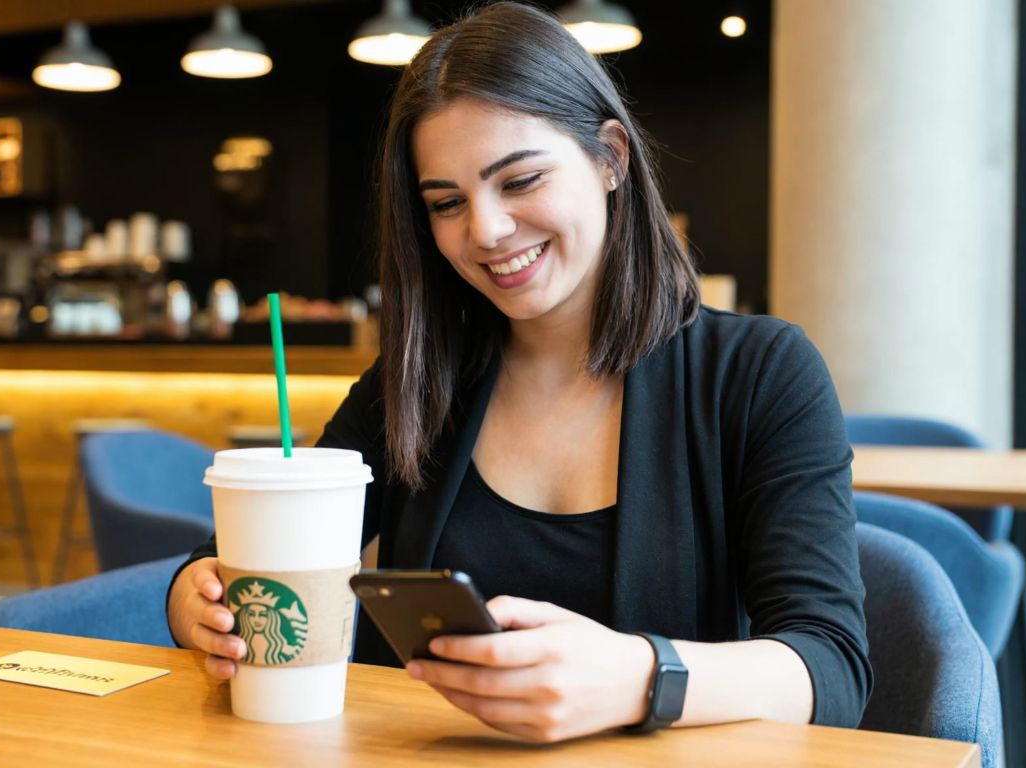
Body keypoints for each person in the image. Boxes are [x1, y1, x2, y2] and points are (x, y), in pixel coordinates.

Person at [168, 1, 870, 742]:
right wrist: (194, 594)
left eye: (521, 180)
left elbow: (830, 667)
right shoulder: (414, 380)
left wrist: (640, 677)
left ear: (611, 159)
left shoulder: (761, 373)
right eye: (446, 202)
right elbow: (272, 542)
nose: (487, 231)